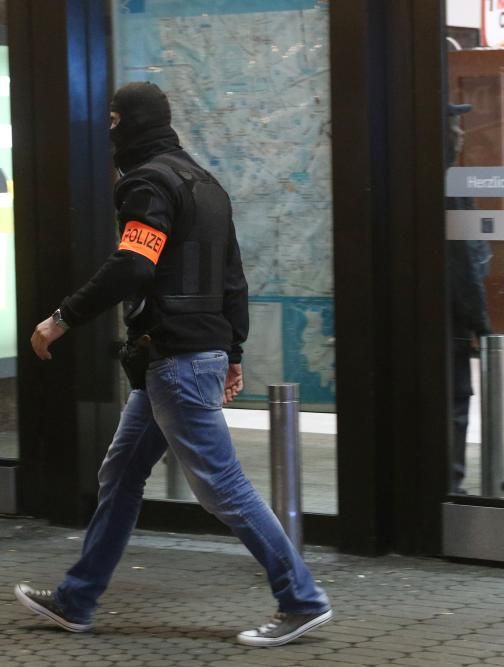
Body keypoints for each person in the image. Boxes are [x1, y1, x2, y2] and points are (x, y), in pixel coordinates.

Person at [14, 82, 332, 647]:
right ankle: (77, 599)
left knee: (222, 486)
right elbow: (233, 278)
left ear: (124, 123)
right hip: (186, 358)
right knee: (121, 474)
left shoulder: (148, 182)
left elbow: (134, 265)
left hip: (176, 360)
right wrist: (232, 352)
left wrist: (62, 316)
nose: (107, 132)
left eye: (112, 121)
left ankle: (301, 598)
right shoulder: (205, 183)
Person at [446, 103, 491, 493]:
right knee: (456, 403)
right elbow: (463, 262)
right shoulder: (450, 185)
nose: (461, 132)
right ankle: (450, 485)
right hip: (450, 324)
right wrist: (480, 322)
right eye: (454, 124)